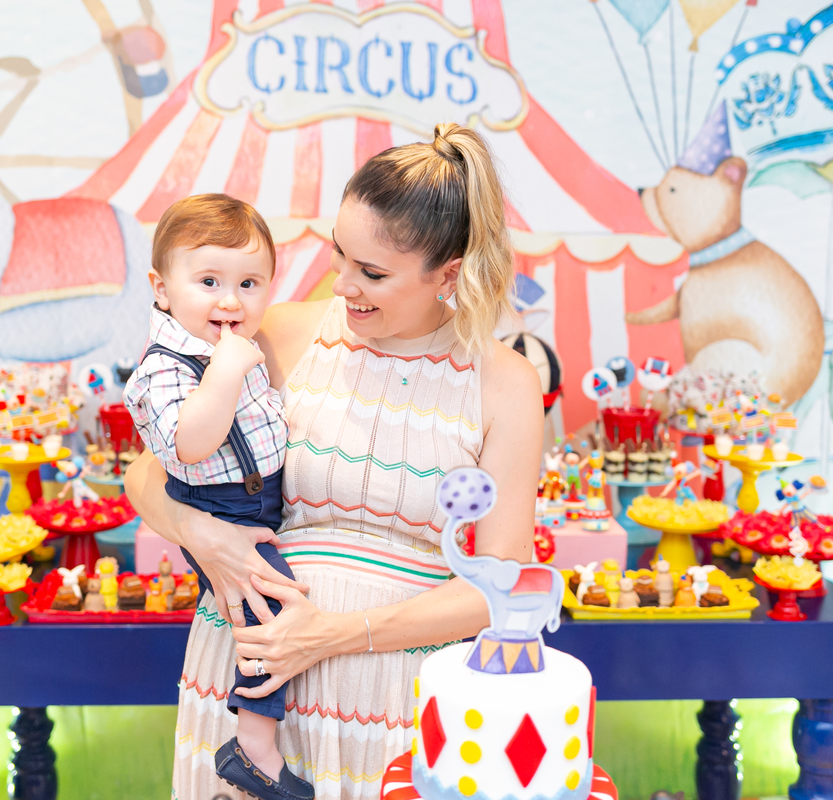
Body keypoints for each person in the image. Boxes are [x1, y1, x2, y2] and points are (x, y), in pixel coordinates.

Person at [124, 123, 543, 799]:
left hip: (395, 699)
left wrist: (335, 635)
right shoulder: (283, 332)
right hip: (246, 676)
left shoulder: (505, 383)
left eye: (372, 273)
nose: (344, 284)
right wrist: (205, 536)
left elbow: (498, 583)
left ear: (449, 273)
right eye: (339, 254)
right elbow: (146, 471)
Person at [122, 194, 310, 799]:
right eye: (208, 281)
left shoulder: (235, 345)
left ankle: (255, 740)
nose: (231, 300)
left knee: (266, 608)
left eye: (250, 283)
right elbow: (188, 447)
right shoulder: (167, 367)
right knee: (271, 614)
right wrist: (226, 371)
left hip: (259, 505)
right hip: (220, 509)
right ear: (162, 288)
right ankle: (253, 748)